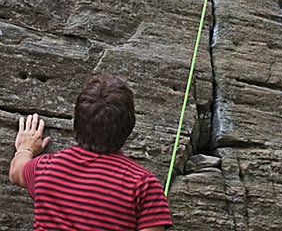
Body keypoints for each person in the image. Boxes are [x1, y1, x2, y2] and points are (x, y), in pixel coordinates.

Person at [9, 75, 173, 231]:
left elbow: (16, 173)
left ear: (76, 123)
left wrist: (25, 149)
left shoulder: (46, 168)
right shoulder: (143, 185)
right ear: (129, 127)